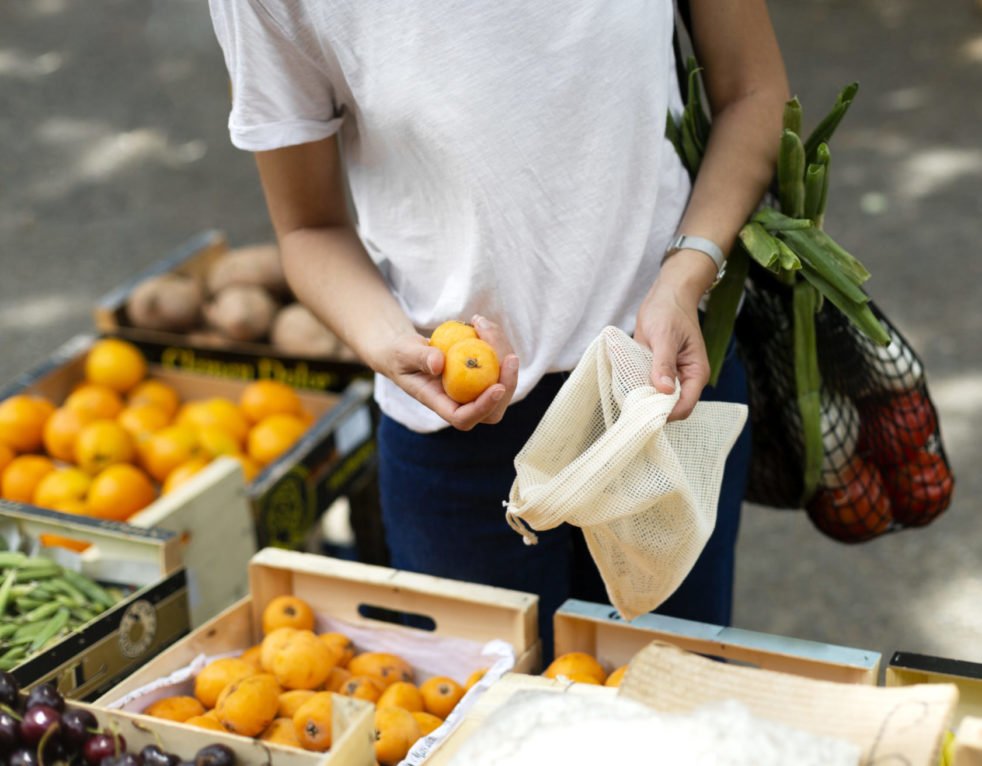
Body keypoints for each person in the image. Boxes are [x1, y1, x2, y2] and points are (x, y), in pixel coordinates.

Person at [207, 1, 789, 654]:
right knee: (484, 731)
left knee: (676, 714)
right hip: (456, 437)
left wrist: (688, 271)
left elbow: (753, 93)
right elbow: (308, 228)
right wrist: (391, 344)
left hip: (662, 391)